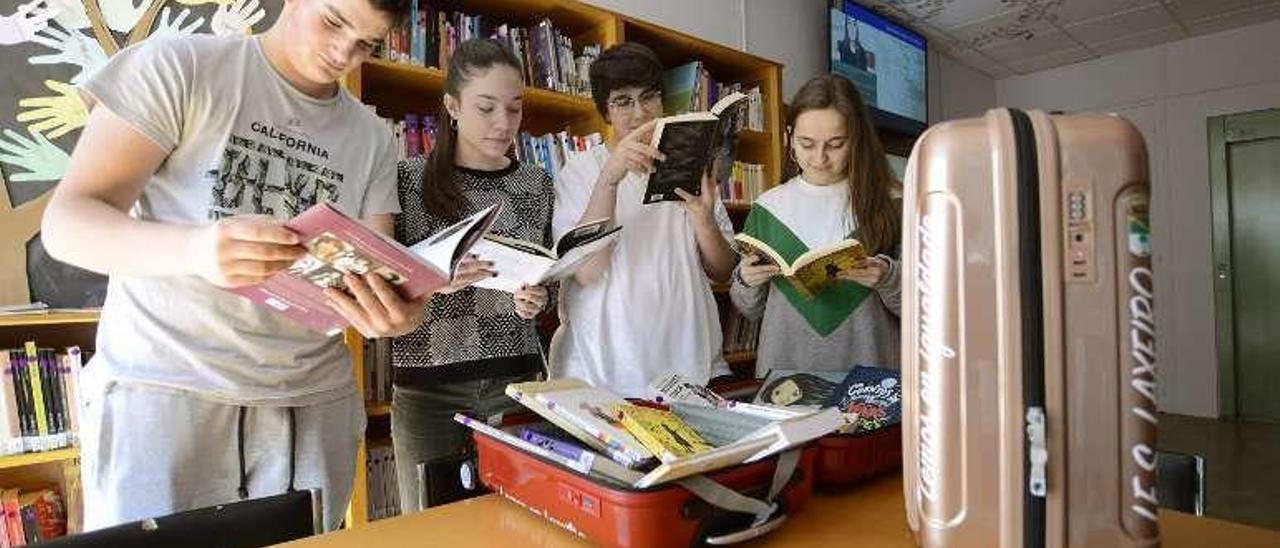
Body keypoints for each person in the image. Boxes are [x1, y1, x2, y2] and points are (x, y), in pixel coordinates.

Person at [40, 0, 484, 531]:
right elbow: (67, 223)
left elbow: (374, 269)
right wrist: (195, 251)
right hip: (165, 390)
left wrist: (395, 315)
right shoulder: (178, 66)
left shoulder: (369, 136)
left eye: (367, 42)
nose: (345, 53)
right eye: (334, 21)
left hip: (310, 404)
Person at [389, 38, 555, 513]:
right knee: (430, 524)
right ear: (452, 106)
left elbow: (551, 274)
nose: (504, 124)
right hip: (427, 385)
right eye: (486, 108)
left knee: (519, 520)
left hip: (515, 381)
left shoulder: (536, 184)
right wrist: (433, 278)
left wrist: (540, 298)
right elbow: (384, 280)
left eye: (515, 109)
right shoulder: (408, 178)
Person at [549, 42, 736, 397]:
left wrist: (703, 219)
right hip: (604, 371)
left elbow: (723, 270)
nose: (640, 113)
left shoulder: (691, 164)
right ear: (605, 111)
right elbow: (588, 271)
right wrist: (609, 180)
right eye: (623, 101)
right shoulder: (580, 171)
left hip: (690, 366)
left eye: (649, 97)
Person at [730, 74, 902, 375]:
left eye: (835, 144)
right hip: (783, 380)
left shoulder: (893, 202)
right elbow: (750, 309)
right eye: (806, 144)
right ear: (788, 137)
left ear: (856, 140)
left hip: (869, 380)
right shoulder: (768, 206)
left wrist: (886, 276)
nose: (820, 158)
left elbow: (928, 306)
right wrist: (746, 280)